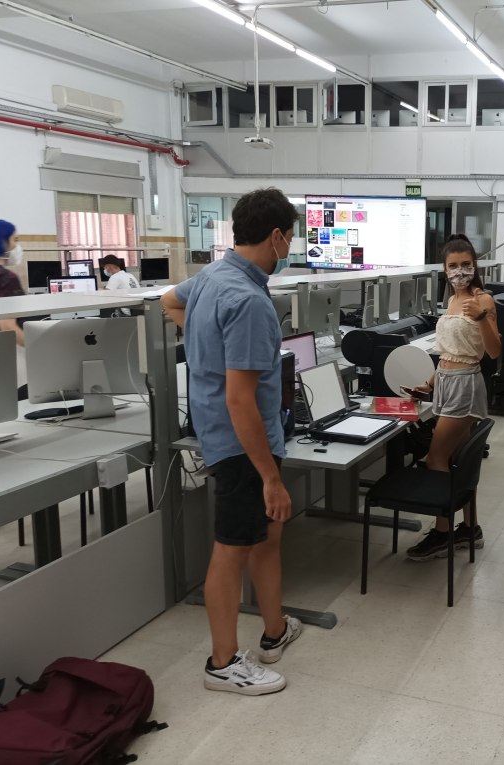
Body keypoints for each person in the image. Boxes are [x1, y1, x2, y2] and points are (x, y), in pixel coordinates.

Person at [161, 188, 301, 696]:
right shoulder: (248, 302)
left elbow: (168, 300)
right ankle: (222, 663)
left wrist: (204, 348)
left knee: (266, 536)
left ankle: (274, 630)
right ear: (276, 236)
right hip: (243, 445)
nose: (291, 246)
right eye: (291, 237)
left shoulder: (211, 277)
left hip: (233, 434)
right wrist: (269, 478)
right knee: (232, 549)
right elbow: (241, 401)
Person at [405, 234, 502, 561]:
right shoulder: (450, 300)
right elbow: (449, 352)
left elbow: (494, 351)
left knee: (436, 458)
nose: (460, 271)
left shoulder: (483, 300)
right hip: (445, 382)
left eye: (466, 264)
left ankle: (442, 533)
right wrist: (430, 384)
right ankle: (470, 528)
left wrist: (481, 318)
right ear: (444, 269)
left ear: (475, 266)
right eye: (453, 265)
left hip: (464, 385)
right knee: (458, 460)